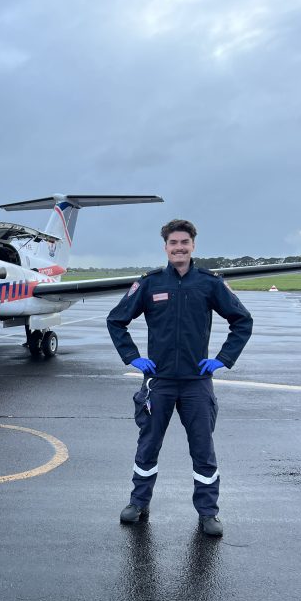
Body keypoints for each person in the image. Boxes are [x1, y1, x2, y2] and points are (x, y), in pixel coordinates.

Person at [106, 219, 253, 536]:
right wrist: (132, 357)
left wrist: (222, 359)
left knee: (203, 449)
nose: (179, 248)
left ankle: (208, 512)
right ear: (166, 247)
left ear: (193, 245)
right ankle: (138, 502)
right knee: (148, 445)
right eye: (173, 243)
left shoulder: (210, 283)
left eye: (184, 242)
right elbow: (116, 320)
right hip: (158, 381)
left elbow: (242, 320)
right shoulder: (150, 284)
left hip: (196, 383)